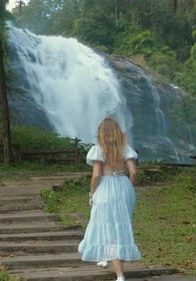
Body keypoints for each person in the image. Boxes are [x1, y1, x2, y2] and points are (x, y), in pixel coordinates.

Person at [78, 118, 142, 281]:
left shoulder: (98, 150)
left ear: (101, 132)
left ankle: (120, 275)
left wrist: (92, 193)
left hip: (105, 188)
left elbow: (97, 175)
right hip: (123, 185)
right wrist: (130, 186)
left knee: (103, 223)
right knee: (120, 224)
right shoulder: (125, 149)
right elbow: (133, 172)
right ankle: (105, 257)